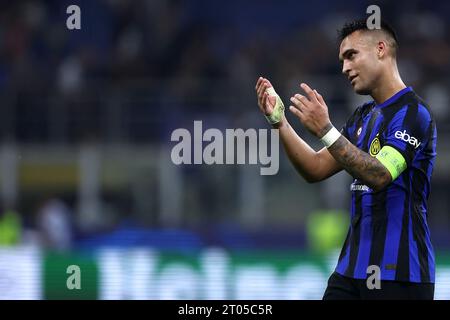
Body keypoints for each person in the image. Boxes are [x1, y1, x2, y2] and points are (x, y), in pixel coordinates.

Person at [255, 19, 437, 300]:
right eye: (342, 60)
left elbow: (380, 175)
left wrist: (326, 130)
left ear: (380, 49)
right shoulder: (363, 116)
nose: (344, 68)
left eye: (351, 55)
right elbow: (315, 168)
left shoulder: (414, 114)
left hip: (400, 273)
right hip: (350, 271)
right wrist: (280, 124)